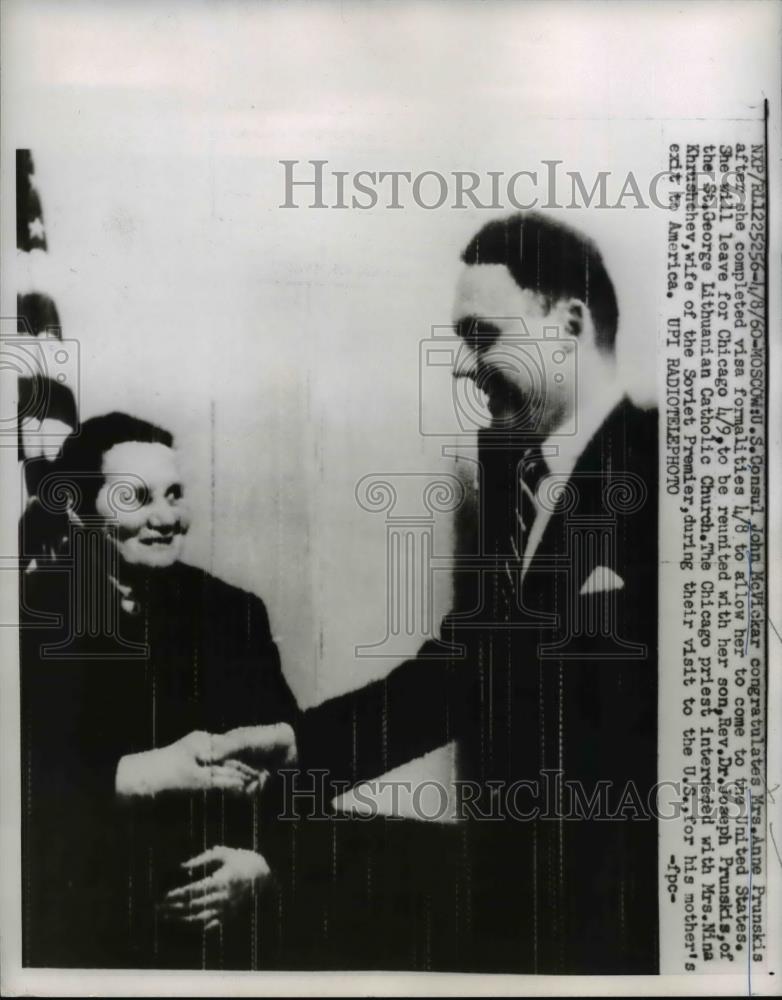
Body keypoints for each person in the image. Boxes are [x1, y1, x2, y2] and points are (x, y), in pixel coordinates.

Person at [229, 212, 659, 974]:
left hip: (631, 924)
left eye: (481, 335)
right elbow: (467, 672)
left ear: (568, 323)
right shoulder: (511, 476)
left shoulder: (670, 465)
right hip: (530, 912)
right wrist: (298, 747)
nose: (463, 368)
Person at [20, 412, 298, 970]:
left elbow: (293, 771)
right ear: (78, 508)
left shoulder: (233, 613)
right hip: (84, 929)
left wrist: (265, 867)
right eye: (137, 498)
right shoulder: (29, 620)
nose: (167, 518)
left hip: (233, 927)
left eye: (174, 494)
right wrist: (144, 775)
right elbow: (21, 794)